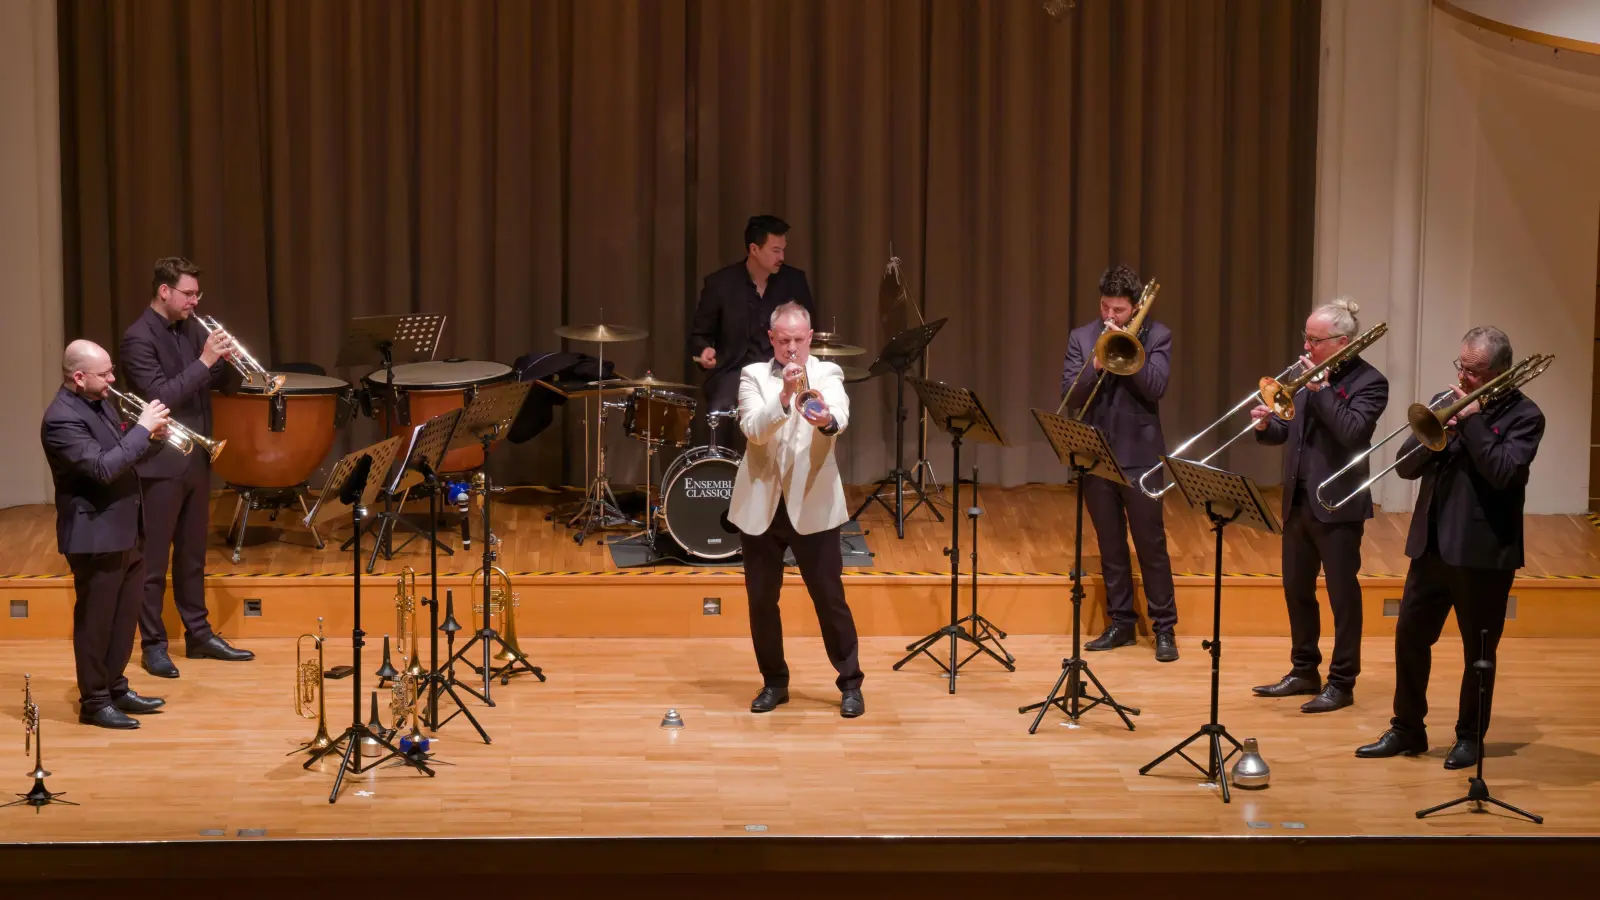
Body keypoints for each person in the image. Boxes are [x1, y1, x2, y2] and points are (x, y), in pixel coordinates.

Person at [1357, 326, 1543, 769]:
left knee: (1477, 654)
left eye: (1474, 371)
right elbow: (1405, 467)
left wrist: (1473, 422)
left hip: (1483, 554)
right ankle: (1407, 728)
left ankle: (1470, 737)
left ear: (1501, 371)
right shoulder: (1447, 401)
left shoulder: (1526, 416)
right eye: (1462, 365)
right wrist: (1440, 427)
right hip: (1431, 546)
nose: (1463, 377)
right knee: (1410, 639)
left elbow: (1503, 473)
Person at [1250, 297, 1388, 713]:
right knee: (1296, 588)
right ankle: (1304, 670)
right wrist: (1266, 425)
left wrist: (1323, 390)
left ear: (1342, 341)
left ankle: (1342, 682)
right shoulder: (1306, 374)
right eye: (1306, 337)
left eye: (1314, 340)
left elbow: (1351, 432)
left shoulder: (1370, 382)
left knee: (1342, 595)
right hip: (1298, 499)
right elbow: (1287, 431)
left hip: (1338, 503)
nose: (1306, 346)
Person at [120, 256, 254, 678]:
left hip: (196, 458)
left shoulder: (191, 329)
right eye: (188, 293)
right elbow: (160, 395)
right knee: (153, 562)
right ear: (165, 291)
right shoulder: (137, 339)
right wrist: (205, 362)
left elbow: (220, 385)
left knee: (193, 556)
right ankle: (153, 645)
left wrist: (229, 362)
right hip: (159, 464)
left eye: (198, 294)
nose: (195, 301)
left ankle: (199, 635)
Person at [729, 301, 864, 718]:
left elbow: (839, 417)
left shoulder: (828, 373)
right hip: (763, 506)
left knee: (829, 598)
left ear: (810, 338)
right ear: (772, 339)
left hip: (813, 503)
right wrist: (785, 396)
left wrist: (825, 420)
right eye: (784, 340)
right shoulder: (753, 376)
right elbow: (754, 431)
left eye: (799, 340)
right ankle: (774, 682)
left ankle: (850, 683)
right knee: (761, 601)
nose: (791, 348)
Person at [42, 340, 172, 729]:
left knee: (123, 618)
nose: (113, 379)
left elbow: (124, 458)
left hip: (126, 528)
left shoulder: (101, 403)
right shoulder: (61, 420)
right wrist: (142, 429)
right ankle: (95, 701)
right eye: (105, 373)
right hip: (95, 535)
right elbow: (102, 469)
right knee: (96, 622)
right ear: (79, 377)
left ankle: (115, 686)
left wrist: (151, 439)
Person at [1061, 264, 1179, 662]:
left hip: (1141, 455)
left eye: (1119, 310)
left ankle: (1164, 628)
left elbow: (1156, 387)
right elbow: (1070, 395)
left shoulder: (1157, 335)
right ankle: (1121, 622)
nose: (1110, 316)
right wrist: (1096, 363)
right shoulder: (1082, 338)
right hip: (1096, 454)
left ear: (1135, 308)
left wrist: (1128, 352)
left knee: (1151, 544)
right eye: (1105, 308)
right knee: (1110, 544)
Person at [689, 215, 816, 451]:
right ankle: (721, 468)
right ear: (754, 249)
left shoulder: (794, 282)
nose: (782, 257)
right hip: (734, 371)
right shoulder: (720, 284)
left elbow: (809, 327)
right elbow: (699, 335)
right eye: (776, 250)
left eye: (783, 250)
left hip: (781, 368)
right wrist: (704, 350)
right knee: (719, 410)